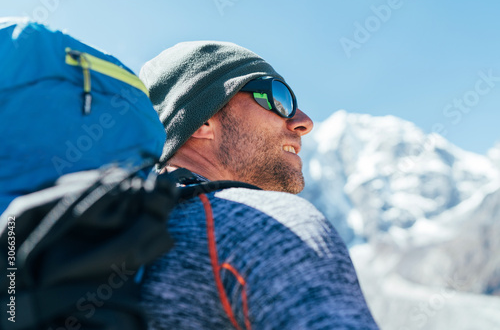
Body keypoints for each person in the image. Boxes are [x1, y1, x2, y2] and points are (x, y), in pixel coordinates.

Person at [138, 41, 379, 330]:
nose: (304, 122)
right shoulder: (274, 223)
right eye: (278, 97)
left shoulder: (117, 233)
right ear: (203, 118)